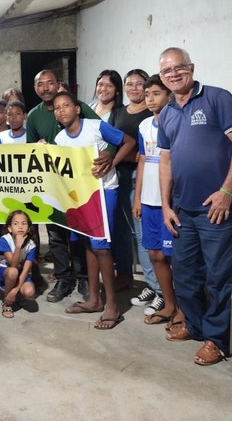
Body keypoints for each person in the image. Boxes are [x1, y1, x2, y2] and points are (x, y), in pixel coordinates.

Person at [157, 47, 232, 365]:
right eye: (167, 71)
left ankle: (217, 339)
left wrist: (226, 191)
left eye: (179, 67)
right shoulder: (167, 113)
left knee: (219, 276)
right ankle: (195, 325)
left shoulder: (217, 98)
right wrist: (165, 205)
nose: (173, 74)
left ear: (192, 68)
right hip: (183, 209)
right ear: (161, 76)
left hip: (217, 207)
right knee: (185, 274)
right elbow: (166, 162)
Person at [26, 69, 111, 303]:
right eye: (40, 84)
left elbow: (106, 133)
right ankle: (63, 278)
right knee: (55, 234)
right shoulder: (33, 116)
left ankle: (84, 278)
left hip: (81, 184)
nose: (45, 88)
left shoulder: (77, 106)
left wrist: (109, 155)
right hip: (52, 184)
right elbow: (30, 150)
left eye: (49, 83)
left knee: (81, 232)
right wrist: (38, 148)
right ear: (35, 89)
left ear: (58, 84)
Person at [53, 91, 135, 329]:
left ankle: (112, 306)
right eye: (57, 108)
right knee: (89, 244)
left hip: (104, 191)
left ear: (77, 108)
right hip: (81, 196)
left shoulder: (95, 127)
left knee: (101, 246)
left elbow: (129, 142)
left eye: (66, 105)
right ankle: (94, 300)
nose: (61, 110)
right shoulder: (60, 139)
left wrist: (111, 162)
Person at [133, 75, 178, 325]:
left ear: (169, 95)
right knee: (155, 255)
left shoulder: (176, 123)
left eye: (156, 94)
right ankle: (169, 304)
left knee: (174, 257)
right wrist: (137, 197)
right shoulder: (144, 126)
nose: (150, 99)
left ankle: (183, 308)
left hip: (169, 203)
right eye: (147, 94)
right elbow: (142, 160)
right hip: (148, 200)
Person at [109, 70, 154, 294]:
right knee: (121, 230)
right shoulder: (118, 113)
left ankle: (152, 284)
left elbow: (149, 148)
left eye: (139, 84)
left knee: (140, 231)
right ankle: (125, 275)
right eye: (129, 84)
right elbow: (109, 142)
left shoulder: (152, 111)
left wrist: (139, 156)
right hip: (119, 175)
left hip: (141, 176)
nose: (134, 88)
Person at [0, 210, 37, 319]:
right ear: (10, 228)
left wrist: (15, 290)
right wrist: (18, 246)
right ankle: (7, 303)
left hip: (20, 273)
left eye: (24, 223)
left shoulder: (31, 245)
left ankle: (14, 294)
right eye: (16, 223)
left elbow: (26, 271)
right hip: (4, 271)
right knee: (13, 271)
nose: (20, 226)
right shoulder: (5, 240)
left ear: (29, 228)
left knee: (30, 293)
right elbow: (13, 264)